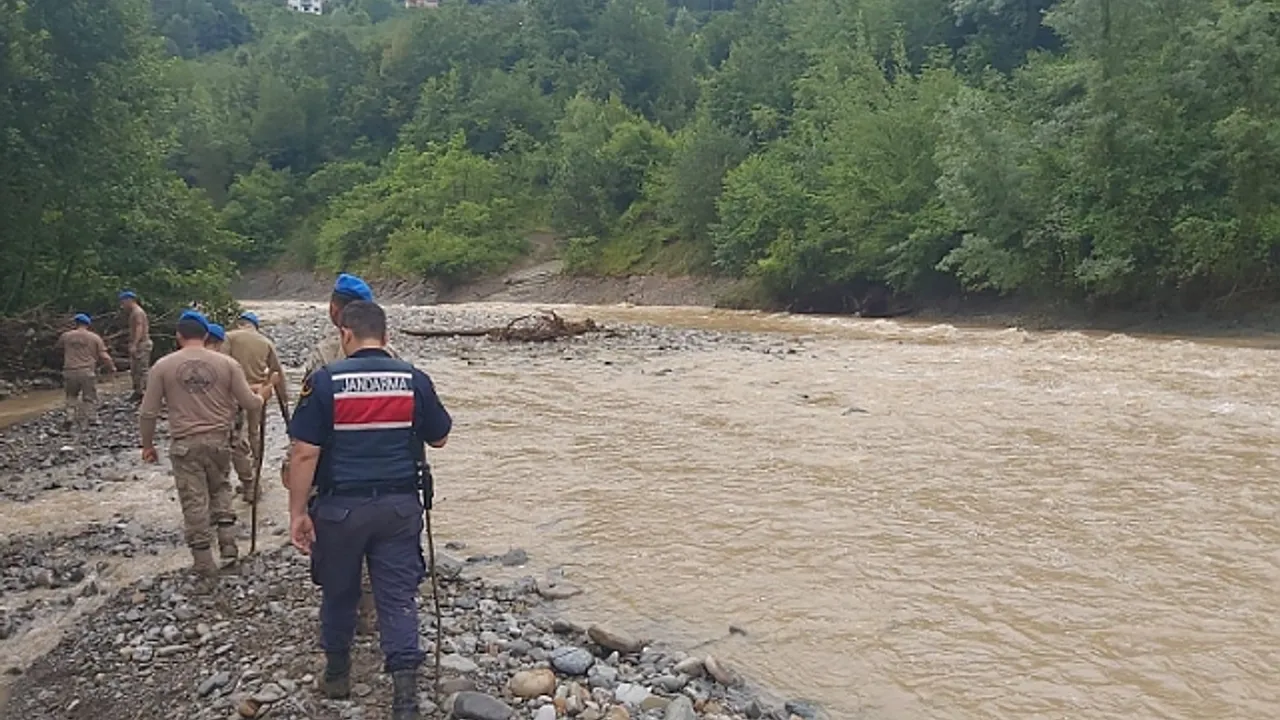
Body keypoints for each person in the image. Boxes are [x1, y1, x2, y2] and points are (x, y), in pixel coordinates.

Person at [287, 300, 450, 720]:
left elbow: (304, 453)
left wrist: (297, 512)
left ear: (345, 334)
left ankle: (337, 675)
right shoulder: (413, 379)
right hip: (398, 508)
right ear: (386, 336)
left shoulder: (325, 382)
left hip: (339, 509)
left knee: (339, 591)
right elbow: (439, 438)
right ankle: (405, 698)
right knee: (397, 598)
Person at [283, 273, 398, 633]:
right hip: (387, 471)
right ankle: (371, 609)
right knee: (379, 546)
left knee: (337, 545)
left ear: (335, 310)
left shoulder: (323, 356)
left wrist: (293, 475)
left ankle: (342, 618)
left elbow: (308, 429)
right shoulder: (392, 356)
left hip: (335, 472)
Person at [140, 310, 271, 579]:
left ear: (179, 336)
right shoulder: (227, 364)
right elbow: (249, 403)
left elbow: (148, 412)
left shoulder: (162, 366)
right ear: (206, 335)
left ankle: (203, 562)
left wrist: (147, 444)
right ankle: (228, 544)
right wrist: (263, 395)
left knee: (194, 500)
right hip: (219, 441)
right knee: (221, 488)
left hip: (185, 443)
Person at [226, 311, 288, 502]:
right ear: (255, 326)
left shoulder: (229, 337)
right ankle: (255, 478)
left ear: (240, 323)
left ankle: (244, 481)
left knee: (234, 438)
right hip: (258, 392)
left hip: (232, 394)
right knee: (254, 434)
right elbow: (277, 372)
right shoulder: (266, 342)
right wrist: (284, 400)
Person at [55, 314, 116, 430]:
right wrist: (112, 367)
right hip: (87, 371)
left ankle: (69, 417)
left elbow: (58, 348)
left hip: (69, 370)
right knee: (89, 396)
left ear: (75, 323)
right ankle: (92, 418)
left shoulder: (66, 336)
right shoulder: (95, 338)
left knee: (71, 395)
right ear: (88, 324)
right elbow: (104, 356)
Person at [119, 290, 152, 401]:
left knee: (142, 370)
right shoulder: (134, 312)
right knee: (135, 369)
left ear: (130, 300)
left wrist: (134, 344)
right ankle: (138, 391)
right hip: (138, 343)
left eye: (123, 302)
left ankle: (146, 393)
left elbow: (139, 327)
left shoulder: (138, 312)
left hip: (142, 344)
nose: (122, 305)